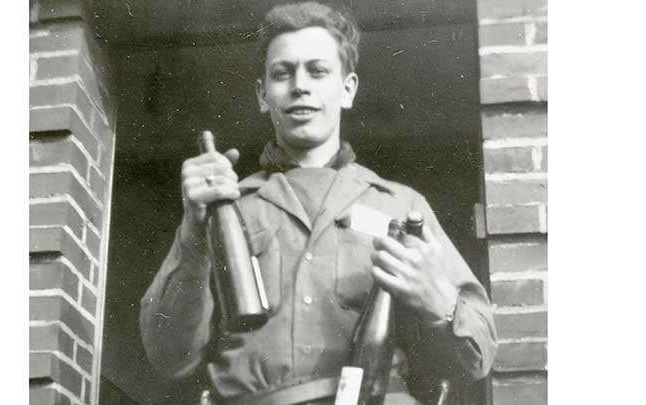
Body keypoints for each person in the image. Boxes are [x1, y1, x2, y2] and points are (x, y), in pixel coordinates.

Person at [140, 2, 497, 404]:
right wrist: (193, 233)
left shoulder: (402, 207)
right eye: (282, 73)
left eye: (318, 70)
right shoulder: (226, 208)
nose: (299, 85)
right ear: (262, 95)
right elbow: (169, 357)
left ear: (347, 89)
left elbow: (478, 358)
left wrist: (441, 301)